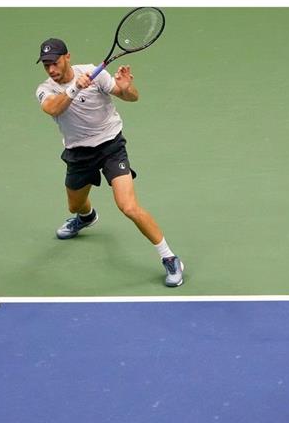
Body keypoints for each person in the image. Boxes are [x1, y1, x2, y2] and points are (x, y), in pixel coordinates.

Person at [34, 38, 184, 287]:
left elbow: (133, 98)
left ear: (67, 57)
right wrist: (74, 89)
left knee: (128, 206)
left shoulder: (96, 74)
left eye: (55, 63)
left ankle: (170, 258)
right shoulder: (45, 89)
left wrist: (125, 89)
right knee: (75, 206)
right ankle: (86, 217)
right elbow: (53, 109)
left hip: (111, 146)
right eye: (46, 65)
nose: (51, 69)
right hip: (78, 154)